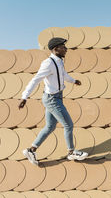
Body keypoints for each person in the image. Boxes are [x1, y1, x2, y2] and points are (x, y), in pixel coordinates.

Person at [19, 37, 88, 165]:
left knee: (50, 127)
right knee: (68, 124)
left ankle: (31, 150)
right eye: (63, 47)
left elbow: (63, 75)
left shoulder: (60, 61)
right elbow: (35, 80)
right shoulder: (48, 63)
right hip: (52, 100)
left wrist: (73, 81)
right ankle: (71, 152)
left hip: (57, 97)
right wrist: (25, 97)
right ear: (56, 49)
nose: (66, 49)